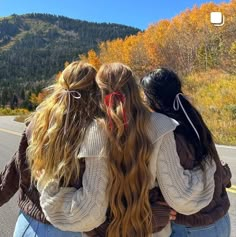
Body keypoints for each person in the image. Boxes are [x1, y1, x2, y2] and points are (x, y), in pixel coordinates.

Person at [36, 63, 217, 237]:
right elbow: (182, 197)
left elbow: (88, 213)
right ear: (135, 90)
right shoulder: (161, 125)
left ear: (98, 94)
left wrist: (47, 184)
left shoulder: (94, 132)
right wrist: (208, 165)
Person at [0, 61, 102, 237]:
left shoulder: (38, 124)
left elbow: (14, 172)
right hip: (71, 228)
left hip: (29, 225)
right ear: (95, 91)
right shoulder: (96, 132)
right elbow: (98, 191)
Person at [140, 67, 231, 237]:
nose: (143, 100)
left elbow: (179, 189)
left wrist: (156, 201)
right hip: (221, 220)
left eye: (145, 95)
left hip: (193, 227)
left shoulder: (167, 132)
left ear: (155, 99)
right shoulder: (193, 119)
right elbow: (214, 165)